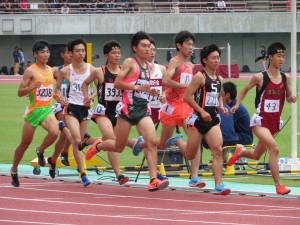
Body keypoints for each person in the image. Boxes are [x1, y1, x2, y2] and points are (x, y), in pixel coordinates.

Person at [84, 31, 169, 192]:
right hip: (127, 110)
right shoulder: (130, 62)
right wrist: (137, 87)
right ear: (135, 48)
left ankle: (153, 179)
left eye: (149, 47)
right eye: (143, 46)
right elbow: (117, 83)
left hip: (143, 109)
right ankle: (99, 145)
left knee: (151, 142)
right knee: (118, 147)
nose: (147, 50)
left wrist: (150, 91)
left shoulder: (150, 67)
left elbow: (142, 86)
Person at [135, 31, 205, 188]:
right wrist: (183, 87)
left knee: (195, 139)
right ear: (179, 46)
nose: (191, 47)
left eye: (193, 44)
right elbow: (165, 80)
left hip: (186, 107)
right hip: (172, 108)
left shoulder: (191, 65)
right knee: (162, 145)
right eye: (188, 44)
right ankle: (143, 143)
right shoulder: (175, 61)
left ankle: (194, 176)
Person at [228, 42, 297, 195]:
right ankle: (279, 185)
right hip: (260, 121)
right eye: (279, 56)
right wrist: (237, 104)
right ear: (270, 57)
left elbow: (288, 97)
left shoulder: (286, 78)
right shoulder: (259, 77)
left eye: (283, 57)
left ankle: (239, 152)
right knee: (274, 149)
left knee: (256, 155)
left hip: (274, 123)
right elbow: (245, 89)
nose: (281, 59)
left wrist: (292, 98)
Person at [176, 44, 231, 195]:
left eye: (218, 57)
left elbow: (218, 94)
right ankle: (177, 141)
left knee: (218, 150)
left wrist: (221, 106)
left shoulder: (219, 78)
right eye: (213, 58)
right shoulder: (200, 77)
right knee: (190, 155)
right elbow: (187, 96)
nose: (217, 60)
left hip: (212, 120)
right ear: (205, 60)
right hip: (198, 119)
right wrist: (201, 111)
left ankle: (218, 185)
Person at [10, 40, 59, 187]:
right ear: (35, 54)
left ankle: (40, 150)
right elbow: (19, 92)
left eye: (47, 52)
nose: (46, 54)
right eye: (42, 52)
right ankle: (14, 169)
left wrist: (59, 97)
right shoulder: (31, 71)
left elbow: (52, 91)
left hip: (46, 109)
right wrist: (32, 87)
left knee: (54, 132)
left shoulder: (51, 70)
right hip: (33, 111)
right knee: (24, 144)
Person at [81, 40, 130, 185]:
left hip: (118, 113)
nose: (117, 55)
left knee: (111, 143)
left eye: (119, 53)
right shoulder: (99, 71)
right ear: (106, 55)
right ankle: (119, 175)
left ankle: (90, 142)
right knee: (112, 140)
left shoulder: (123, 71)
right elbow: (85, 83)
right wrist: (87, 96)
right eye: (113, 53)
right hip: (103, 112)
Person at [54, 38, 99, 187]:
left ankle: (63, 128)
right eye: (77, 51)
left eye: (83, 51)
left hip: (86, 109)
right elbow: (56, 90)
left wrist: (91, 97)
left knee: (79, 143)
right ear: (71, 53)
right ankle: (83, 174)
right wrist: (60, 99)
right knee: (77, 140)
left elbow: (99, 89)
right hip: (71, 107)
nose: (81, 53)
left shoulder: (92, 70)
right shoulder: (65, 71)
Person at [48, 46, 73, 178]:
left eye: (72, 53)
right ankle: (64, 153)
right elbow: (42, 77)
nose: (71, 56)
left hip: (75, 106)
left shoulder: (79, 70)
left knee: (66, 135)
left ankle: (54, 158)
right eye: (68, 53)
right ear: (63, 54)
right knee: (66, 129)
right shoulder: (56, 70)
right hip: (60, 105)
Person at [222, 81, 253, 145]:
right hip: (239, 134)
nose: (219, 95)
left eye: (221, 93)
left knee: (218, 137)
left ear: (227, 95)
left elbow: (225, 125)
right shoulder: (232, 105)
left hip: (245, 137)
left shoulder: (234, 109)